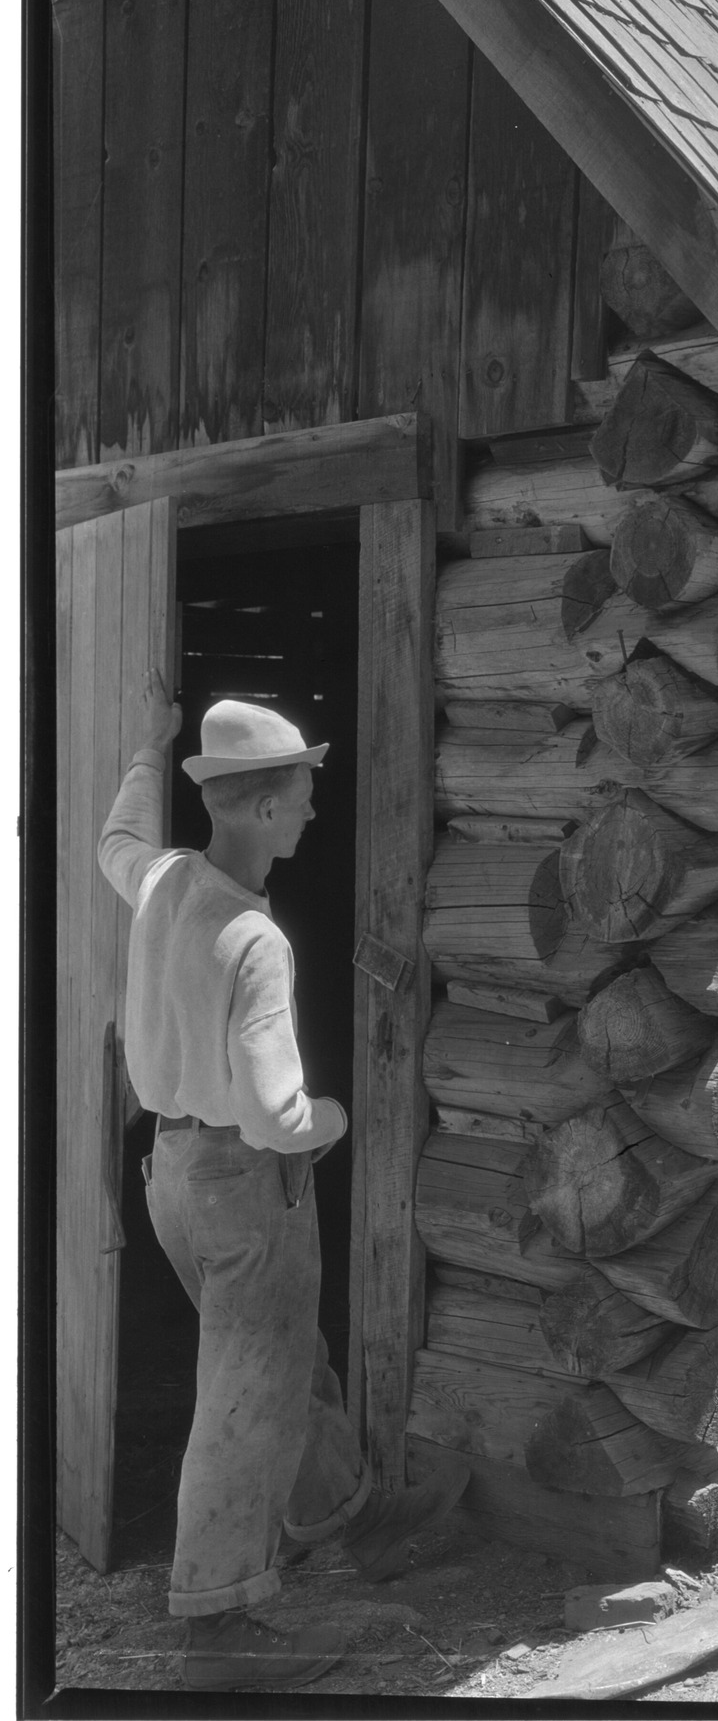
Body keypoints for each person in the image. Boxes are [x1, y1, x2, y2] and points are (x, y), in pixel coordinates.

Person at [97, 672, 466, 1692]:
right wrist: (337, 1118)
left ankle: (344, 1516)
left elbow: (113, 843)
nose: (312, 803)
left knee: (280, 1365)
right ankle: (221, 1627)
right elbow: (274, 1115)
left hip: (169, 1174)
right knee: (242, 1404)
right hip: (245, 1183)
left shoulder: (166, 878)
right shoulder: (254, 938)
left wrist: (148, 744)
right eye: (301, 789)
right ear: (260, 806)